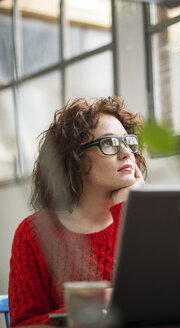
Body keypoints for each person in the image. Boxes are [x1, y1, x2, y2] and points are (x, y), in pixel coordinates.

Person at [8, 96, 147, 326]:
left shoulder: (145, 217)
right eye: (110, 143)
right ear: (76, 159)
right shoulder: (33, 234)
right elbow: (25, 325)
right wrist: (97, 302)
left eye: (127, 141)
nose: (126, 153)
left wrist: (130, 208)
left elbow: (154, 298)